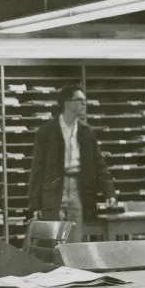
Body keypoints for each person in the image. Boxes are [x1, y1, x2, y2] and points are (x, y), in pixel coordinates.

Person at [28, 84, 116, 241]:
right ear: (67, 103)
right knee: (53, 241)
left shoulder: (87, 132)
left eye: (85, 100)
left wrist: (109, 192)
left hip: (78, 188)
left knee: (75, 240)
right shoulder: (47, 131)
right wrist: (35, 205)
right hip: (54, 190)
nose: (84, 103)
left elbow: (100, 164)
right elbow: (38, 169)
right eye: (80, 100)